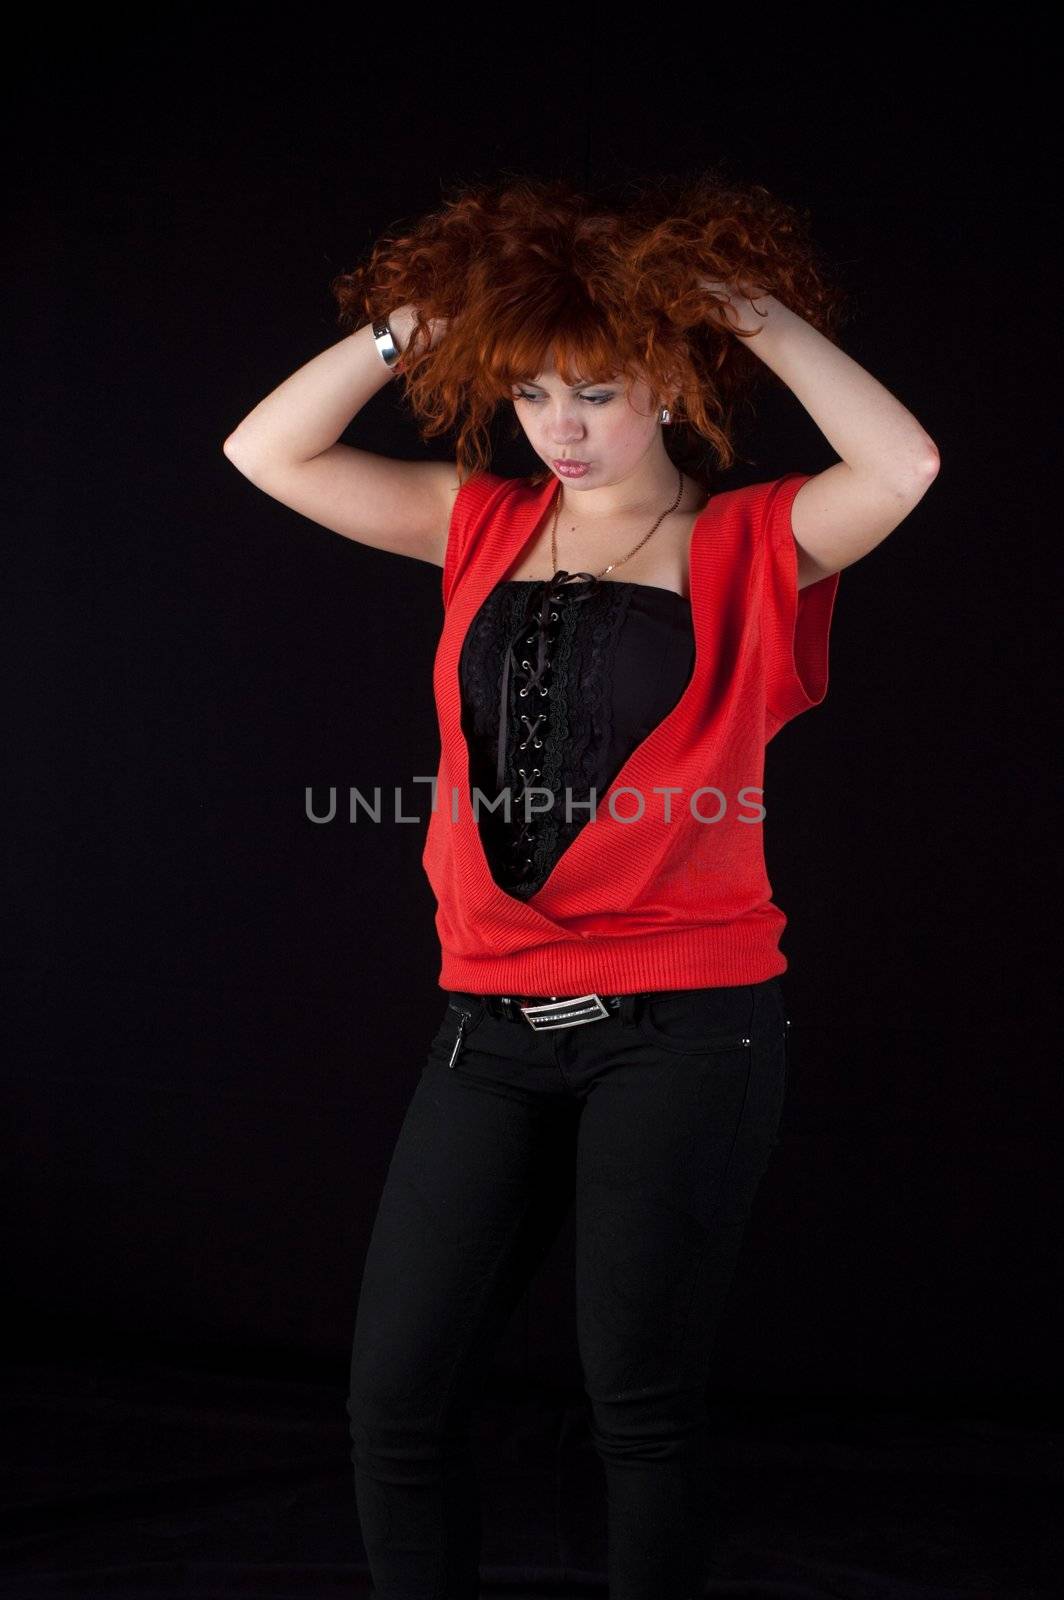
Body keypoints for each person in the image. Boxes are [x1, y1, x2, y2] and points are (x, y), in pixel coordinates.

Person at [223, 172, 939, 1600]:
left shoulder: (754, 546)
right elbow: (264, 452)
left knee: (638, 1409)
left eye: (598, 393)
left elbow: (905, 468)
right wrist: (404, 330)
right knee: (395, 1404)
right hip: (486, 1026)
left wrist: (750, 312)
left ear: (668, 386)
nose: (560, 426)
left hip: (687, 1029)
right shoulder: (476, 522)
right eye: (534, 391)